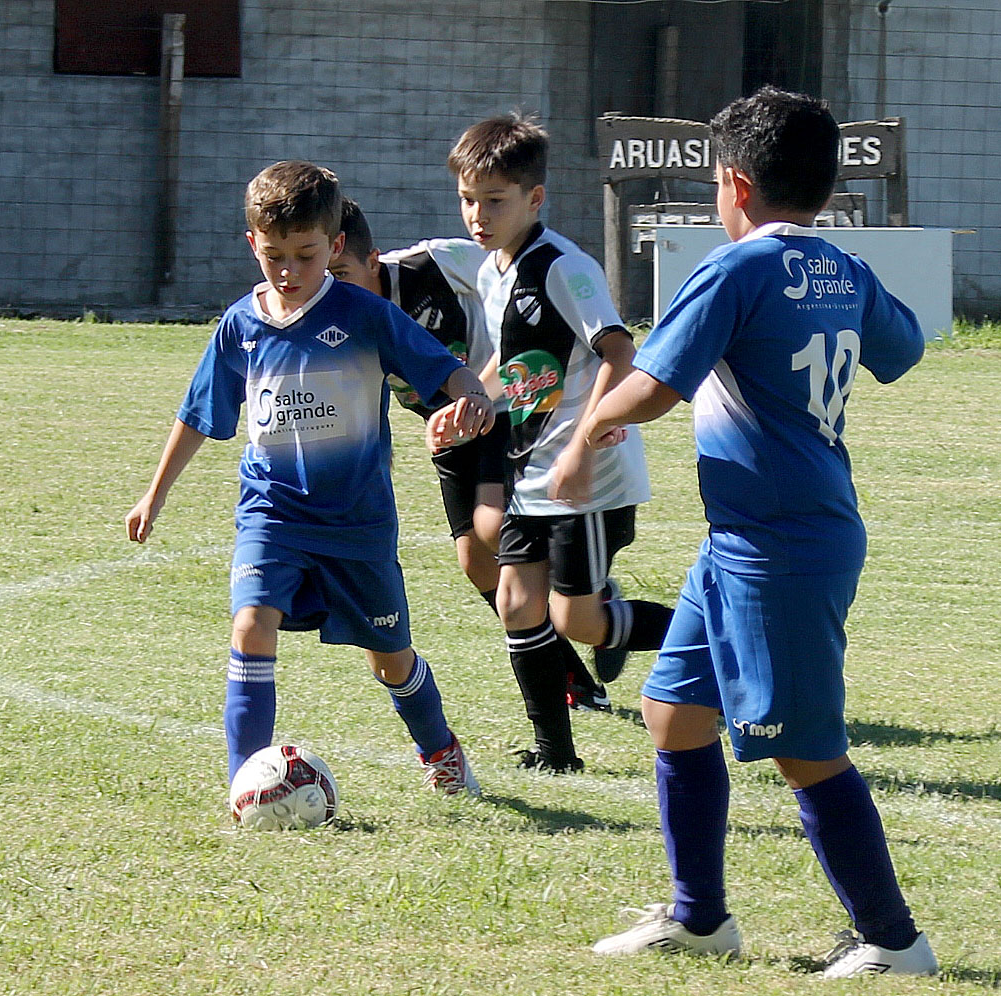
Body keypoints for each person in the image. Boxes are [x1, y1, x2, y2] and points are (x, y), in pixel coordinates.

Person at [584, 88, 937, 977]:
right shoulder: (842, 267)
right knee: (671, 712)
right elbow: (901, 351)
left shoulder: (733, 267)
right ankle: (700, 920)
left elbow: (657, 383)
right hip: (744, 538)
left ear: (734, 184)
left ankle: (894, 942)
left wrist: (587, 431)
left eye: (713, 183)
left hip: (781, 545)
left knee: (803, 749)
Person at [125, 160, 493, 797]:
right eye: (274, 257)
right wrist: (154, 495)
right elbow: (198, 415)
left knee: (390, 657)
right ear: (252, 245)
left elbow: (447, 370)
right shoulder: (240, 326)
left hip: (356, 522)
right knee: (250, 624)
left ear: (336, 246)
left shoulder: (365, 315)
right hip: (273, 512)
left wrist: (473, 399)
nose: (289, 272)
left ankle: (439, 748)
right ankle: (247, 786)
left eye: (306, 254)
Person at [431, 113, 673, 773]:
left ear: (534, 199)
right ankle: (555, 752)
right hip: (529, 470)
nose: (477, 215)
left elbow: (620, 356)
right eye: (467, 200)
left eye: (494, 201)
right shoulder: (489, 272)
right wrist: (467, 403)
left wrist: (580, 449)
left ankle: (714, 642)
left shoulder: (565, 267)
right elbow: (515, 366)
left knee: (578, 622)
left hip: (588, 476)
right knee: (515, 602)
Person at [329, 197, 612, 713]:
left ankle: (584, 591)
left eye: (341, 271)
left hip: (501, 407)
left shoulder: (435, 263)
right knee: (476, 563)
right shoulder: (334, 327)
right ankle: (572, 670)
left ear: (373, 261)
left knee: (492, 528)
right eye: (324, 276)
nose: (333, 288)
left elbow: (517, 285)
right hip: (448, 427)